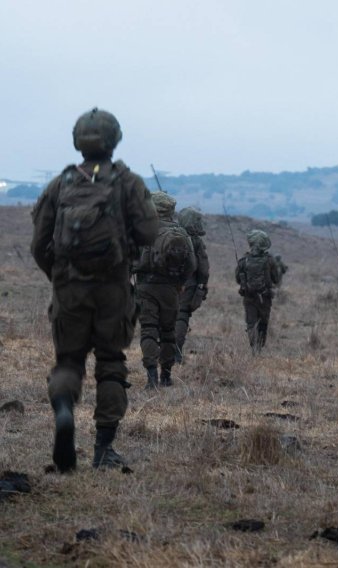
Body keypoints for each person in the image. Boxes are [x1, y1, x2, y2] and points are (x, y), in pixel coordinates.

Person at [30, 107, 158, 472]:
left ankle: (65, 410)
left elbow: (39, 244)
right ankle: (104, 449)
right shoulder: (127, 182)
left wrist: (59, 276)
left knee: (68, 361)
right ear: (114, 140)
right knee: (111, 364)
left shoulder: (61, 184)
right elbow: (150, 232)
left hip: (69, 288)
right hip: (113, 290)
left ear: (78, 141)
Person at [134, 192, 196, 388]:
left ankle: (151, 376)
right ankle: (166, 376)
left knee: (149, 330)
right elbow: (192, 265)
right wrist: (180, 282)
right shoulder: (181, 233)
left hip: (145, 288)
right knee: (168, 331)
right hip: (171, 289)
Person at [235, 230, 282, 353]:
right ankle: (259, 347)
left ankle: (254, 348)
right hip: (265, 297)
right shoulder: (270, 260)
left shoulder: (243, 261)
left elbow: (237, 279)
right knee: (263, 323)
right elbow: (276, 279)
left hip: (249, 297)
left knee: (251, 323)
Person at [174, 207, 210, 363]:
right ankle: (176, 353)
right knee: (181, 316)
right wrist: (202, 284)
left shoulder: (171, 235)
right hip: (188, 284)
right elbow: (203, 267)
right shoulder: (195, 241)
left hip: (169, 283)